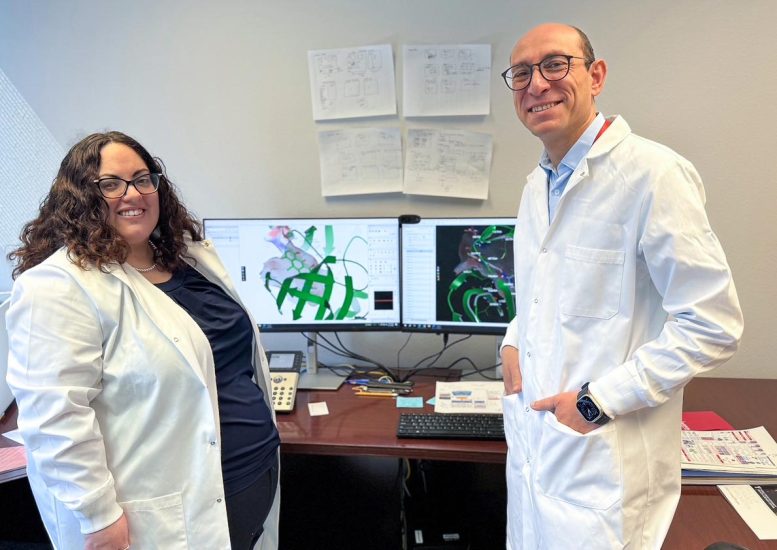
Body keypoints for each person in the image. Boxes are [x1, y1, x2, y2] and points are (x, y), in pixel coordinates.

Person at [499, 23, 743, 549]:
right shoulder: (536, 184)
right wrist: (512, 339)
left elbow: (713, 325)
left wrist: (597, 402)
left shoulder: (653, 174)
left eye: (555, 64)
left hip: (602, 469)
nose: (537, 83)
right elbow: (546, 293)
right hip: (538, 458)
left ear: (597, 75)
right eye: (522, 73)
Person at [6, 131, 281, 549]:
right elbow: (54, 420)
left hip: (248, 479)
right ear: (81, 197)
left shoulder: (186, 258)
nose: (132, 193)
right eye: (111, 183)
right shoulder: (56, 287)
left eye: (142, 178)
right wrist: (98, 519)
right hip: (164, 513)